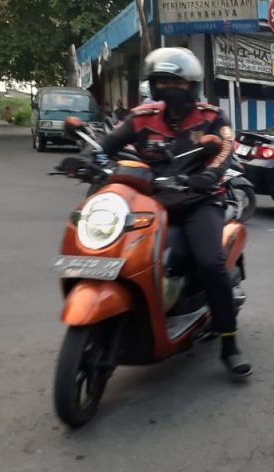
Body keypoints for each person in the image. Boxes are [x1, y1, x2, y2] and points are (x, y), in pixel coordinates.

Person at [100, 47, 251, 378]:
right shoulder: (142, 117)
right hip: (151, 201)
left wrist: (208, 175)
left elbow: (226, 147)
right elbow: (106, 147)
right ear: (153, 86)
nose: (170, 87)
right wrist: (91, 161)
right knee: (124, 254)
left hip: (199, 200)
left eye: (177, 82)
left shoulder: (210, 117)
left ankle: (229, 343)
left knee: (211, 264)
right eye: (162, 81)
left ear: (192, 86)